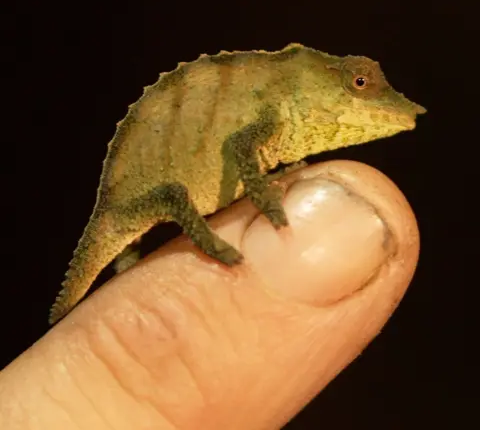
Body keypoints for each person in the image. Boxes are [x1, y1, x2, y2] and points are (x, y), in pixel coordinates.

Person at [0, 161, 420, 429]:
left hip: (145, 192)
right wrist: (258, 213)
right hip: (148, 191)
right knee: (166, 208)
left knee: (123, 270)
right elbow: (238, 148)